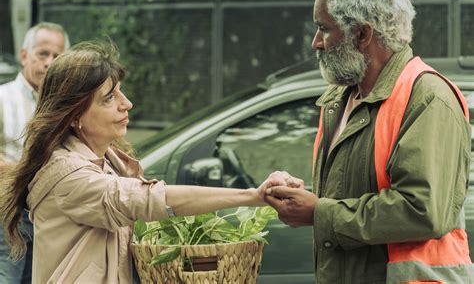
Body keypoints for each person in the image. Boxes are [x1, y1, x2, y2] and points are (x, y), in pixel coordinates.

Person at [0, 41, 301, 283]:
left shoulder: (110, 160)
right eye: (109, 98)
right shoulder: (69, 176)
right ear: (75, 116)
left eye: (120, 91)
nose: (126, 103)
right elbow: (147, 199)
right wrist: (253, 196)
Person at [264, 0, 473, 283]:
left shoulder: (428, 98)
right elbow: (351, 194)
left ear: (362, 34)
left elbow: (422, 211)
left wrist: (318, 213)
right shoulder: (341, 98)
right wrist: (301, 195)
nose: (316, 42)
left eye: (324, 28)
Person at [0, 22, 69, 283]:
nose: (49, 63)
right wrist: (19, 171)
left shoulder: (63, 106)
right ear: (24, 55)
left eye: (57, 56)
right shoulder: (3, 98)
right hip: (8, 215)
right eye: (43, 54)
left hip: (49, 216)